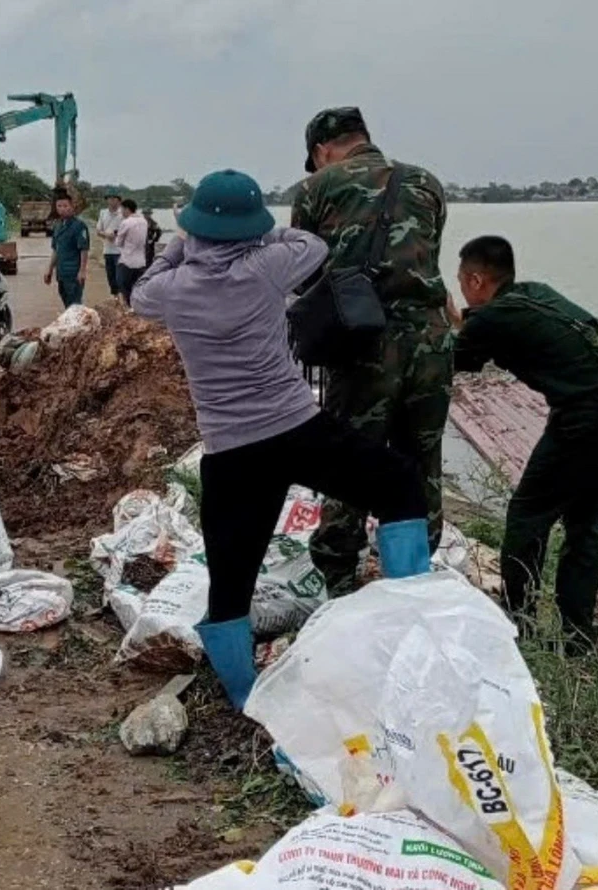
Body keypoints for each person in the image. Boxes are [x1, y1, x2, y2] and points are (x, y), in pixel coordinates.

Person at [132, 169, 430, 709]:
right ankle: (415, 613)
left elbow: (140, 292)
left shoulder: (171, 291)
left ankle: (247, 699)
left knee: (230, 586)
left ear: (195, 228)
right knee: (399, 483)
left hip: (230, 454)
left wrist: (180, 244)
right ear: (251, 230)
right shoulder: (267, 268)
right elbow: (311, 244)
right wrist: (259, 235)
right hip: (298, 430)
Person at [450, 236, 598, 655]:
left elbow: (456, 358)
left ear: (475, 279)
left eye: (462, 281)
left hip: (585, 420)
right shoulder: (535, 294)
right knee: (584, 521)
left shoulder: (492, 320)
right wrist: (463, 320)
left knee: (526, 518)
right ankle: (578, 638)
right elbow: (499, 326)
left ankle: (518, 627)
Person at [292, 106, 453, 595]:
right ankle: (413, 576)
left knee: (350, 460)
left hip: (362, 344)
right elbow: (428, 262)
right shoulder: (427, 183)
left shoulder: (315, 189)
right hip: (431, 341)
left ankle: (339, 583)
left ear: (321, 151)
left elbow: (303, 272)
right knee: (420, 460)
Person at [44, 190, 89, 308]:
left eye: (65, 206)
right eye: (59, 206)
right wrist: (49, 270)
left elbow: (84, 249)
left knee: (75, 306)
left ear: (71, 206)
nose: (62, 209)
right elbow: (55, 250)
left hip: (74, 273)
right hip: (62, 273)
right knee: (66, 303)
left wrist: (82, 271)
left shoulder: (79, 226)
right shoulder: (58, 226)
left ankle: (79, 326)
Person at [114, 198, 148, 301]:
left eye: (122, 209)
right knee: (137, 289)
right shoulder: (144, 221)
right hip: (141, 261)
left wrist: (116, 236)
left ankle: (128, 309)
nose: (121, 212)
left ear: (127, 209)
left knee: (124, 288)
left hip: (127, 261)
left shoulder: (126, 222)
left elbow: (118, 243)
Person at [96, 193, 122, 296]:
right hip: (107, 250)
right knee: (111, 278)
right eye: (109, 199)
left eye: (114, 198)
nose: (111, 201)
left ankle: (123, 301)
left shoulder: (122, 214)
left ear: (119, 201)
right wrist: (106, 235)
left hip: (120, 251)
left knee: (120, 278)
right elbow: (98, 230)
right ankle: (115, 300)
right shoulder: (103, 213)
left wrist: (115, 234)